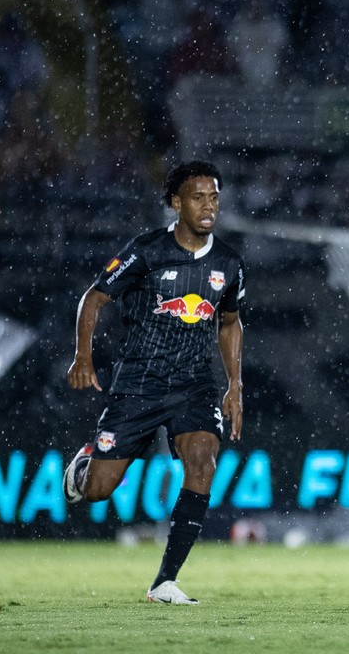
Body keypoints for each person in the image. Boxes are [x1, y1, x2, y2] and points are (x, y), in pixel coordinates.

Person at [63, 160, 246, 605]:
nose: (209, 206)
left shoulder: (229, 263)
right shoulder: (145, 252)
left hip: (194, 385)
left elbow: (230, 323)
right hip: (139, 384)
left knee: (203, 461)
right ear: (176, 203)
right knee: (98, 491)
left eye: (214, 196)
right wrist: (82, 356)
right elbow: (94, 297)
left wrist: (234, 385)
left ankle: (165, 580)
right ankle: (86, 463)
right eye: (198, 197)